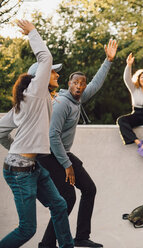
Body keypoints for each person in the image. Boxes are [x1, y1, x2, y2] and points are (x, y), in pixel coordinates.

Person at [36, 39, 118, 248]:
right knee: (67, 197)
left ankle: (81, 237)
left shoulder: (78, 99)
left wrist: (108, 60)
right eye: (76, 83)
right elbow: (53, 136)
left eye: (82, 83)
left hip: (60, 153)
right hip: (49, 155)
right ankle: (47, 243)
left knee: (89, 189)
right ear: (69, 84)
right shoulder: (63, 103)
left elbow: (96, 84)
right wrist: (67, 165)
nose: (80, 87)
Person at [0, 20, 73, 248]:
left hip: (31, 167)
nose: (57, 75)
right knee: (27, 230)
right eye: (53, 73)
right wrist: (33, 32)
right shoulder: (35, 93)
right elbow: (45, 58)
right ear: (39, 78)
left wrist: (14, 148)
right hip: (20, 171)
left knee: (59, 205)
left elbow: (0, 131)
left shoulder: (29, 101)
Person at [116, 53, 143, 158]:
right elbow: (126, 78)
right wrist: (129, 65)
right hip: (136, 113)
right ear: (138, 79)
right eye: (142, 77)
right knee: (121, 120)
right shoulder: (134, 88)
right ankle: (138, 143)